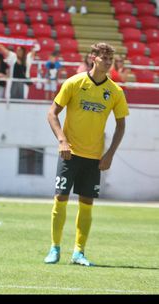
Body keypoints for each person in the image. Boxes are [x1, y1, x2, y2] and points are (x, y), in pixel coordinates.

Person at [44, 42, 128, 267]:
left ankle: (79, 252)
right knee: (60, 198)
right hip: (69, 154)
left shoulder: (115, 91)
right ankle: (55, 247)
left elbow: (121, 125)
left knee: (86, 203)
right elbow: (52, 113)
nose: (108, 63)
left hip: (94, 157)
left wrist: (109, 154)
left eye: (111, 59)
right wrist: (62, 140)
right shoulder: (74, 82)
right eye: (104, 58)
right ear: (93, 58)